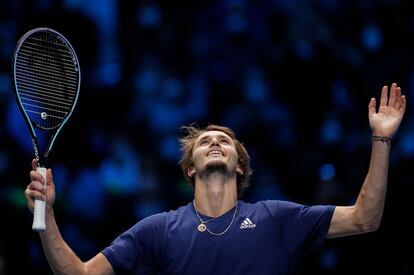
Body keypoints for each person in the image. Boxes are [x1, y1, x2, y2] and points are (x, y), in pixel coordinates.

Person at [25, 83, 406, 274]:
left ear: (239, 165)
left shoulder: (278, 219)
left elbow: (364, 218)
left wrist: (381, 140)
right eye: (204, 141)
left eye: (224, 141)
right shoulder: (158, 230)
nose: (214, 143)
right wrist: (46, 218)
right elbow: (79, 273)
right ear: (190, 168)